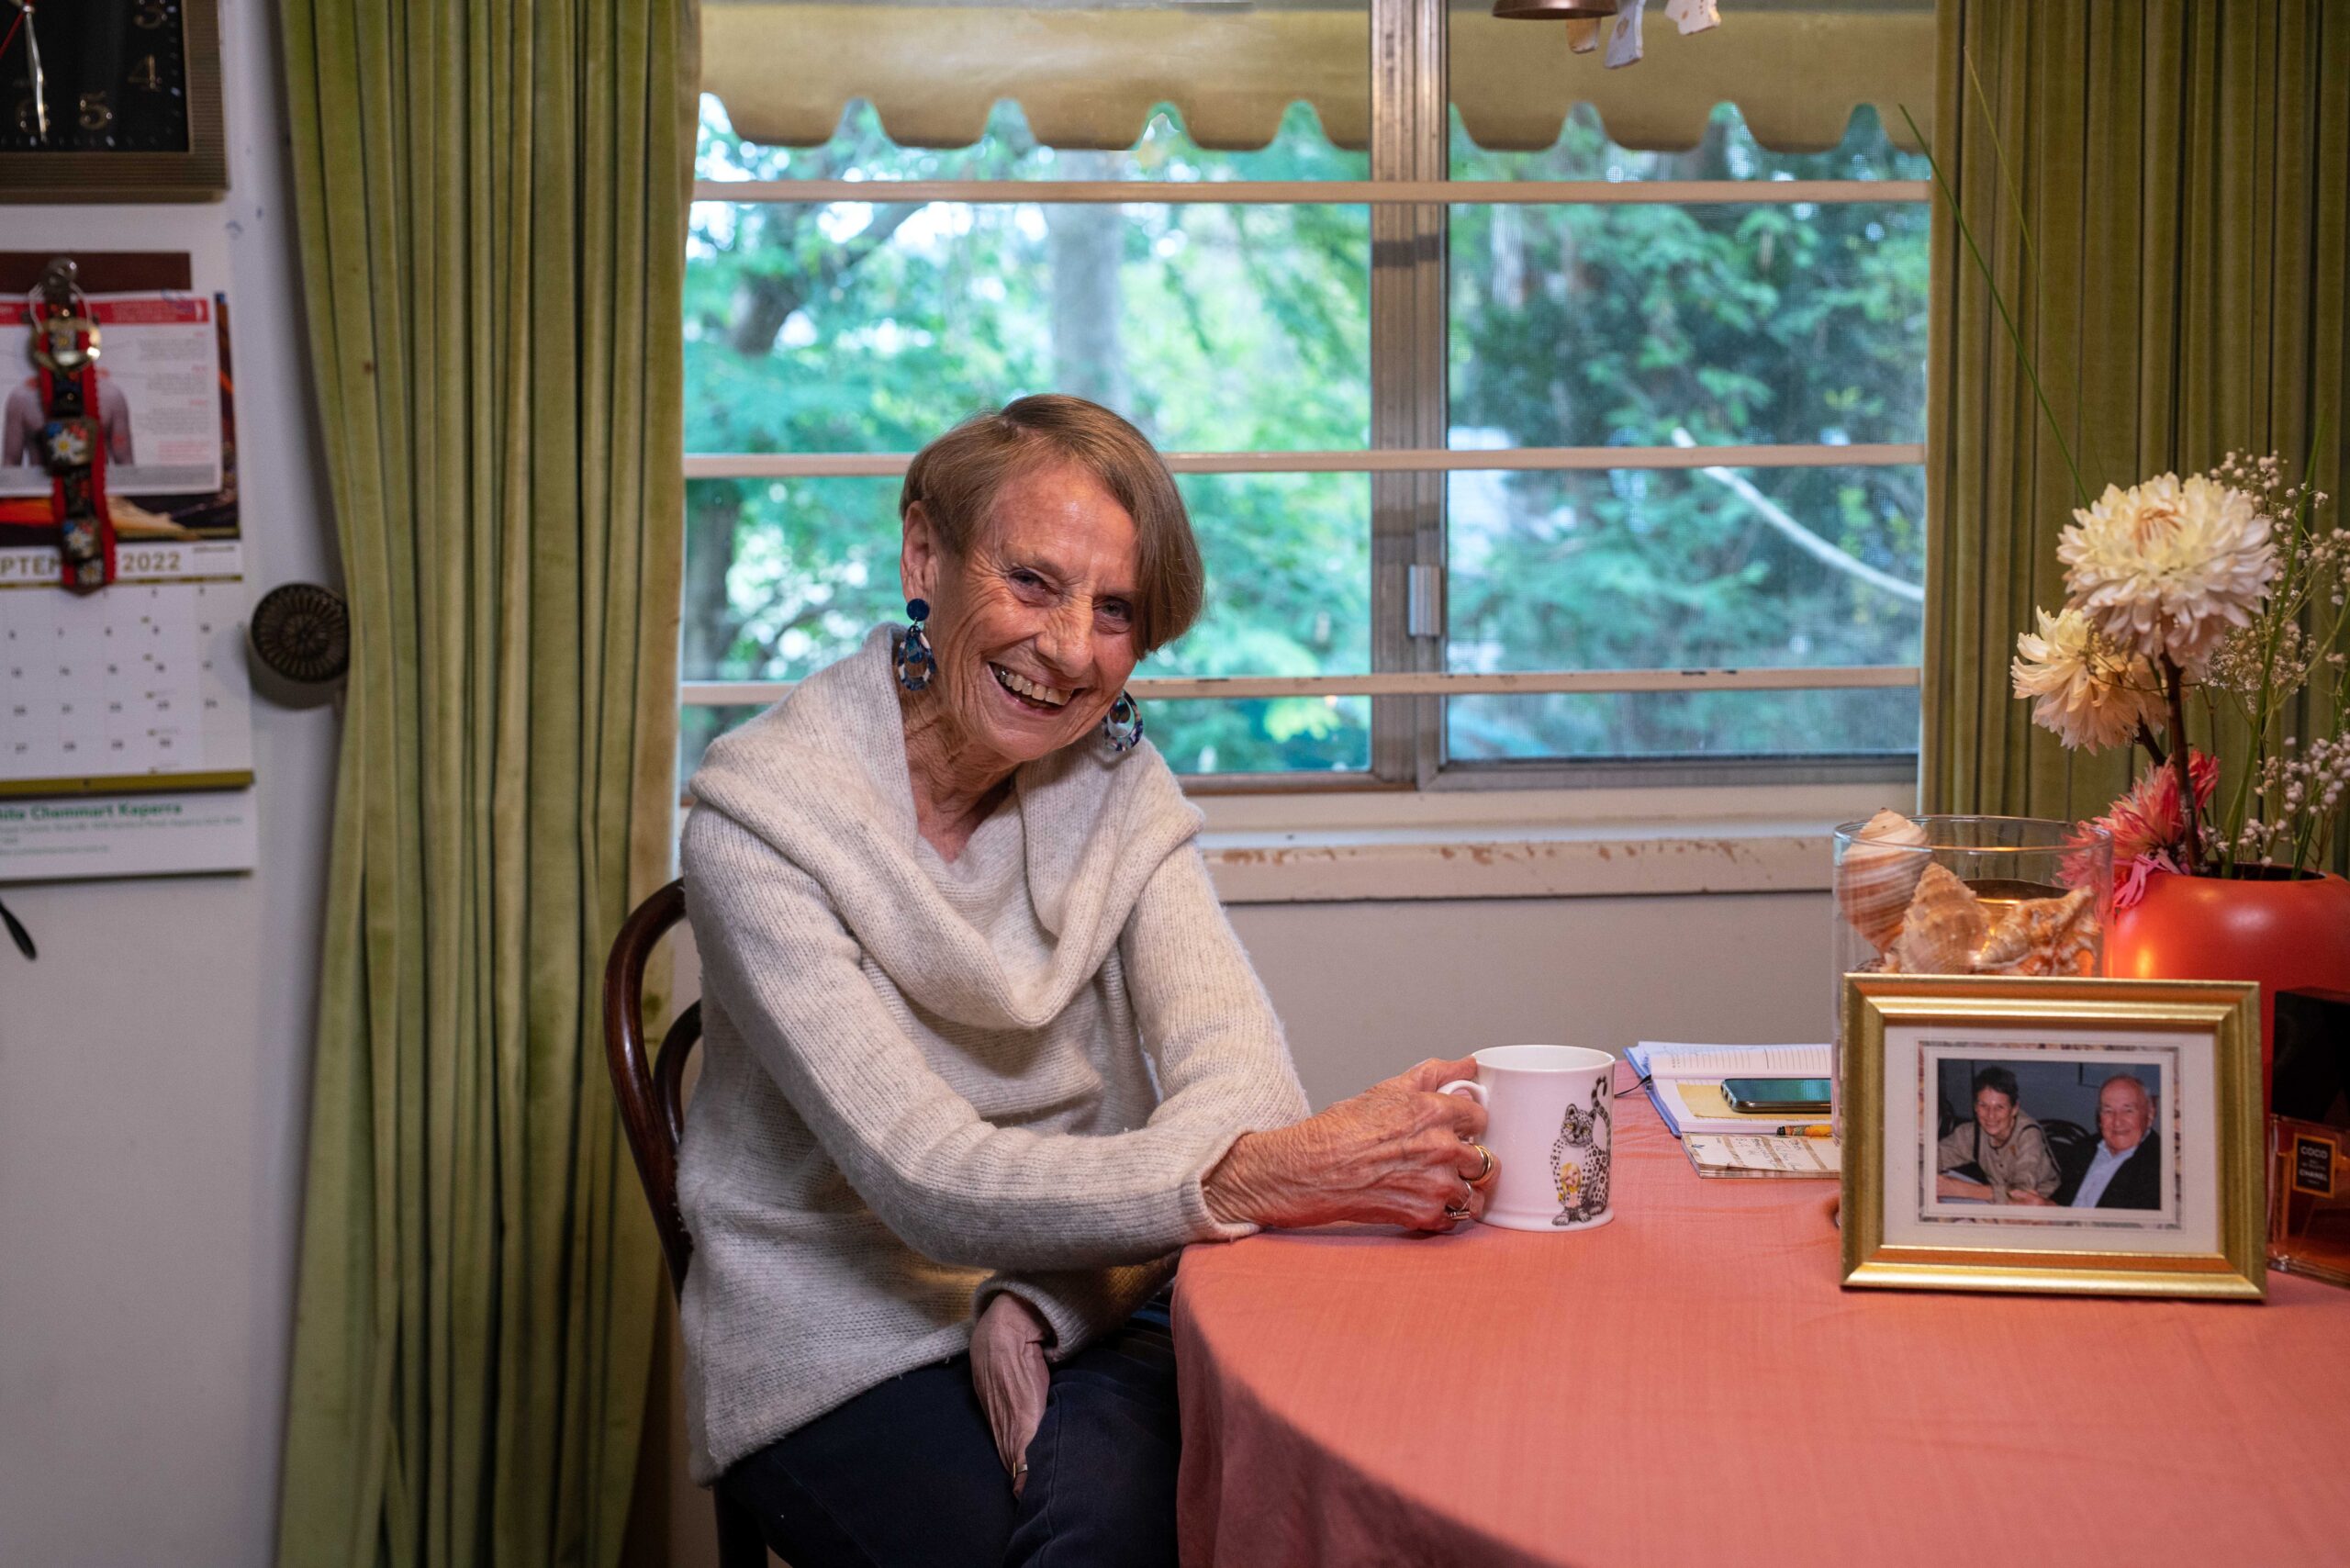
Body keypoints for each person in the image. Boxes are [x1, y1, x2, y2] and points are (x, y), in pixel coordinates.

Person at [677, 394, 1501, 1568]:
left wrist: (1058, 1297)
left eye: (1114, 610)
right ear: (926, 556)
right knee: (1116, 1536)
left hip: (1098, 1283)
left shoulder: (1114, 776)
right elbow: (928, 1181)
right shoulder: (759, 824)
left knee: (1306, 1473)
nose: (1070, 650)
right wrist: (1263, 1176)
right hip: (841, 1332)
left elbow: (1244, 1084)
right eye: (1032, 581)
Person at [2011, 1073, 2162, 1211]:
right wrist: (2046, 1206)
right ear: (2099, 1117)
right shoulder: (2085, 1148)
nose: (2117, 1122)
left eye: (2128, 1110)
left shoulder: (2160, 1166)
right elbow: (2063, 1200)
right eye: (2108, 1111)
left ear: (2149, 1115)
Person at [1934, 1065, 2060, 1202]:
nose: (1990, 1116)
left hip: (2044, 1201)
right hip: (1996, 1195)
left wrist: (1961, 1189)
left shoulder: (2029, 1134)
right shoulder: (1972, 1132)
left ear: (2014, 1109)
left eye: (1999, 1107)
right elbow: (1934, 1155)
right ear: (1975, 1107)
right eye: (1983, 1105)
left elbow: (2022, 1193)